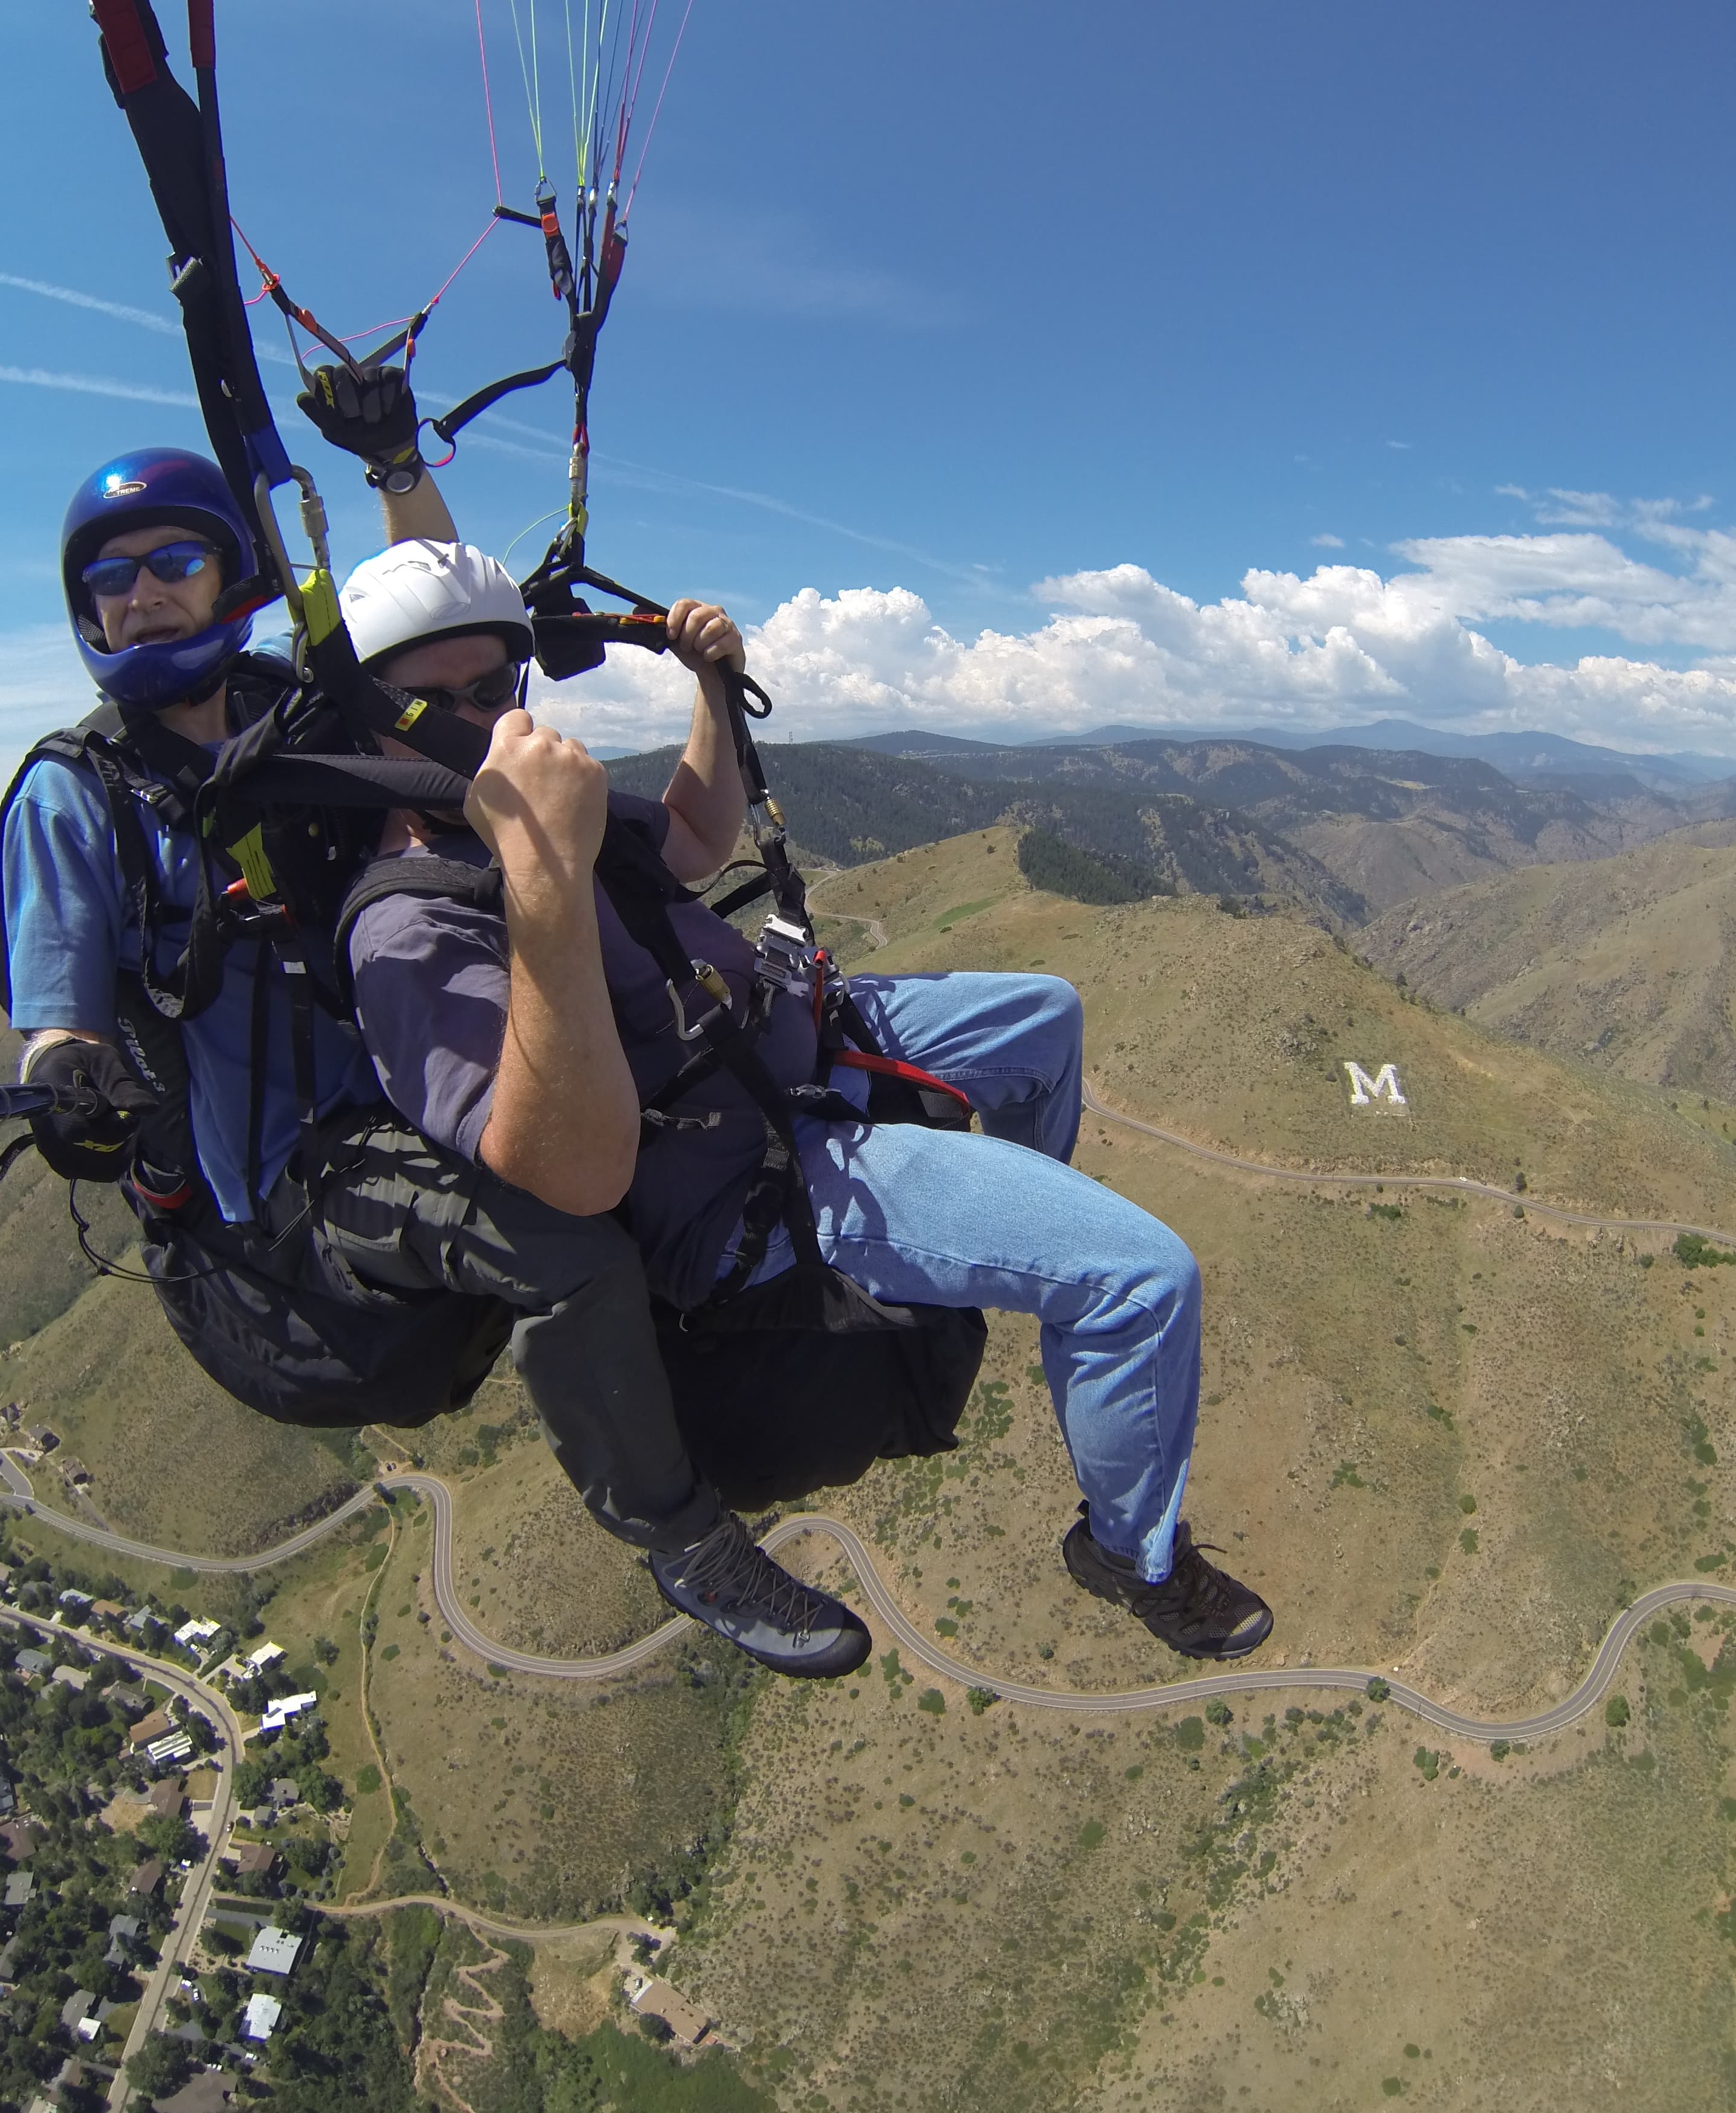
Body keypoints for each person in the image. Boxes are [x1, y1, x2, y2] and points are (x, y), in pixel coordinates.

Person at [0, 439, 868, 1681]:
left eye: (172, 562)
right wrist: (70, 1080)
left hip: (419, 1053)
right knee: (563, 1241)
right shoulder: (77, 796)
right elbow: (59, 1005)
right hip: (307, 1152)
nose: (140, 596)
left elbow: (441, 627)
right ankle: (682, 1537)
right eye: (111, 581)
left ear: (229, 574)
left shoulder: (295, 704)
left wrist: (401, 461)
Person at [337, 552, 1277, 1661]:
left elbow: (693, 841)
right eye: (425, 703)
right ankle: (1133, 1554)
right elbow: (554, 1168)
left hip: (799, 1043)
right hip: (757, 1172)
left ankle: (1021, 1242)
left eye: (488, 692)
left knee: (1047, 1015)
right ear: (368, 716)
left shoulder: (548, 816)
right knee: (1143, 1280)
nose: (466, 723)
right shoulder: (411, 929)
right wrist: (541, 868)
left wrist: (714, 694)